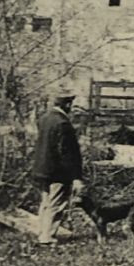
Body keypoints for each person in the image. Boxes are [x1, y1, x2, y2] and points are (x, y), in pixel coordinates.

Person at [30, 91, 84, 245]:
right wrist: (75, 177)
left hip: (41, 169)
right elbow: (67, 154)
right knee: (56, 205)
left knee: (46, 203)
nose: (71, 108)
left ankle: (42, 233)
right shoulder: (63, 123)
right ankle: (47, 238)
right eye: (70, 105)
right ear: (67, 104)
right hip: (57, 172)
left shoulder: (44, 119)